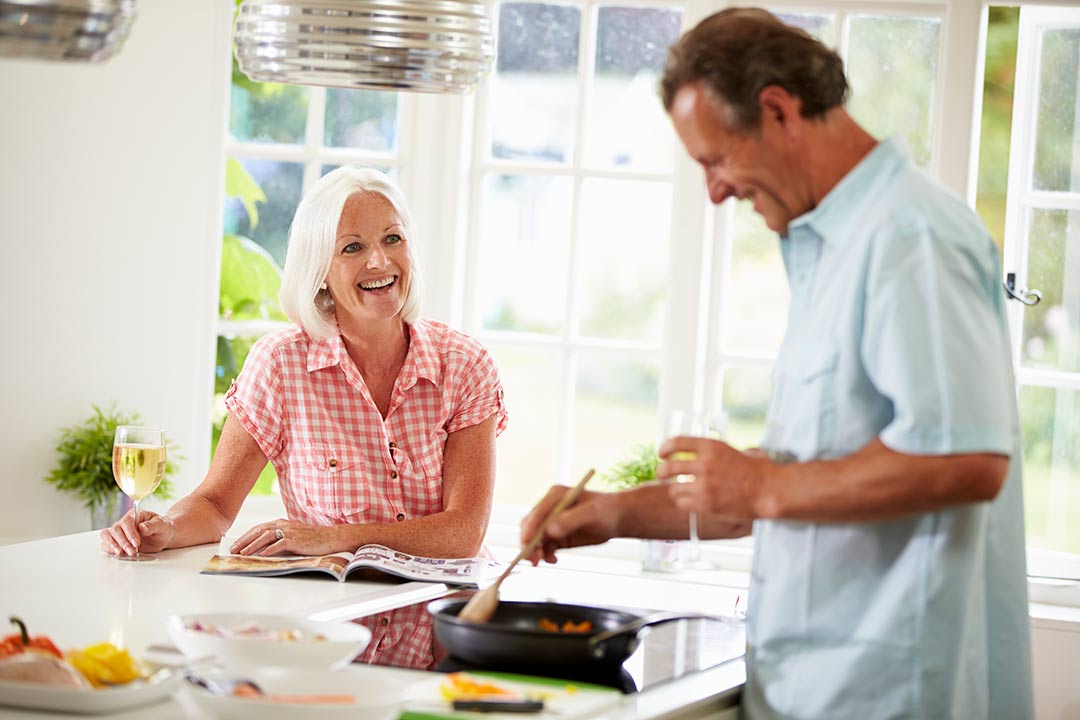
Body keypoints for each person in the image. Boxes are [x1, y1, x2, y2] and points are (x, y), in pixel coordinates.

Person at [521, 8, 1033, 719]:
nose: (714, 191)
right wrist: (612, 513)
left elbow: (970, 461)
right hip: (807, 689)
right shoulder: (832, 245)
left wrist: (760, 485)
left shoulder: (909, 236)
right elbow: (806, 477)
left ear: (778, 110)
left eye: (715, 158)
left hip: (890, 697)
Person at [100, 167, 507, 666]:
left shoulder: (463, 364)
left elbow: (462, 532)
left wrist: (334, 540)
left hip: (450, 640)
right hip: (328, 645)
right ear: (319, 268)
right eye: (352, 247)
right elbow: (214, 503)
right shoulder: (280, 365)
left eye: (392, 238)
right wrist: (162, 528)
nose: (380, 261)